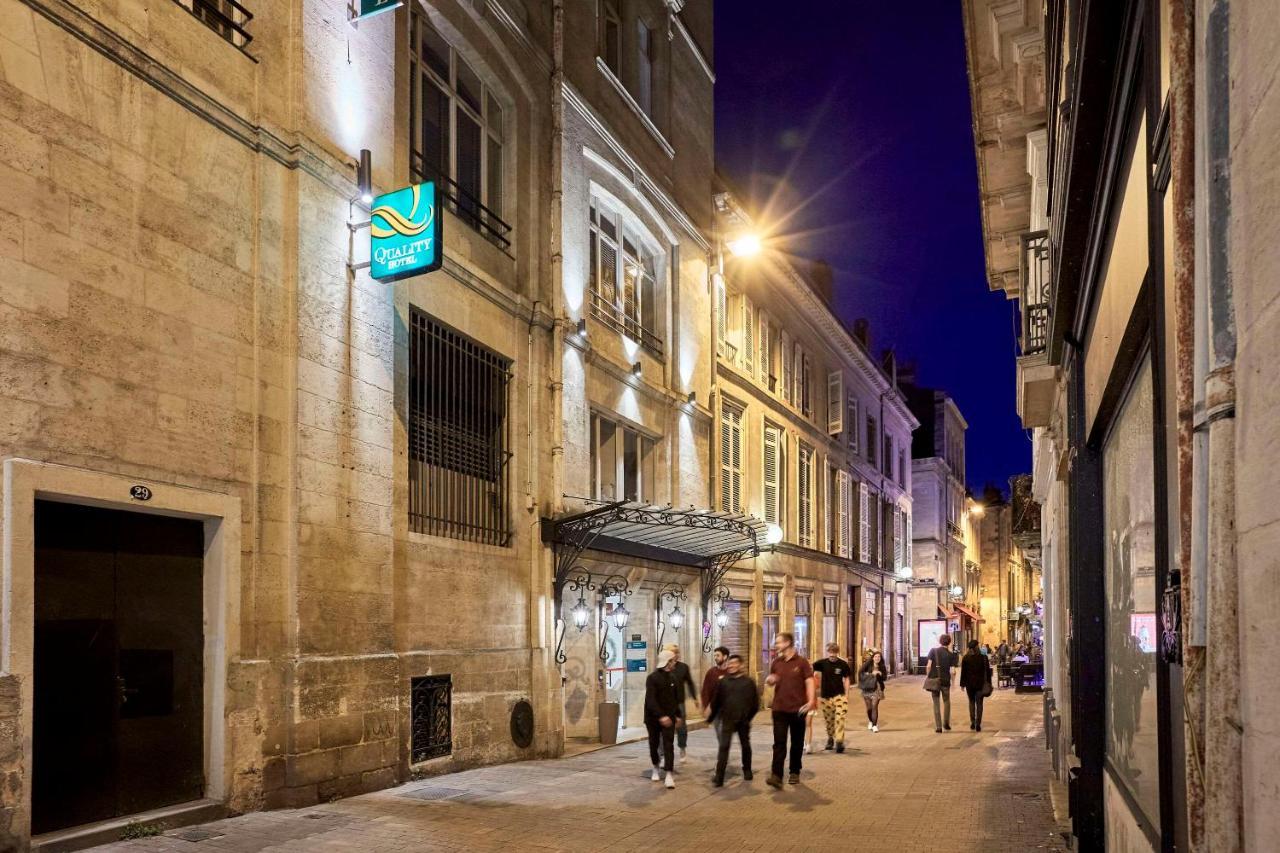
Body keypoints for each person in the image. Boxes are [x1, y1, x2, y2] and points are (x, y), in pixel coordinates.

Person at [764, 632, 815, 788]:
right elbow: (772, 680)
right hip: (779, 709)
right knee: (779, 743)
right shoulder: (776, 662)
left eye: (778, 642)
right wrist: (770, 680)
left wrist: (811, 700)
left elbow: (810, 682)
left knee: (797, 742)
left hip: (798, 709)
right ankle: (776, 775)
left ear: (787, 643)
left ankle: (794, 771)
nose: (776, 645)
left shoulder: (802, 662)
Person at [707, 654, 759, 787]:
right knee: (724, 747)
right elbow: (716, 702)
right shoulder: (723, 681)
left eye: (735, 663)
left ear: (741, 665)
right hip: (727, 720)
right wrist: (710, 718)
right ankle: (719, 777)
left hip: (743, 721)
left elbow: (755, 704)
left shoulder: (749, 682)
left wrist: (748, 717)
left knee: (745, 745)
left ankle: (747, 770)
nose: (731, 665)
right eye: (730, 663)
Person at [644, 649, 680, 789]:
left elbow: (675, 700)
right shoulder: (652, 678)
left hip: (669, 718)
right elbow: (651, 700)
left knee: (668, 745)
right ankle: (655, 767)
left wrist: (678, 715)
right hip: (652, 718)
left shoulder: (673, 678)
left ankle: (669, 774)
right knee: (653, 744)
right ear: (667, 662)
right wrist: (661, 716)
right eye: (673, 660)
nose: (675, 663)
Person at [662, 644, 699, 762]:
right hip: (665, 703)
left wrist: (695, 698)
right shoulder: (662, 667)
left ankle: (682, 748)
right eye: (673, 652)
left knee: (681, 727)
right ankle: (663, 754)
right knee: (664, 728)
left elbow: (690, 683)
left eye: (677, 652)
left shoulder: (683, 667)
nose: (675, 654)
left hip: (679, 702)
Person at [811, 643, 851, 752]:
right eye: (830, 652)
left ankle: (839, 741)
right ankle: (830, 738)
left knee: (840, 718)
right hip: (826, 697)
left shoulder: (843, 664)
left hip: (839, 696)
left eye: (834, 652)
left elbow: (847, 679)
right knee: (829, 720)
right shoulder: (822, 663)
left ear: (837, 652)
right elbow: (810, 668)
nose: (832, 655)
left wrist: (847, 694)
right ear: (827, 652)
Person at [925, 634, 958, 733]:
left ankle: (938, 727)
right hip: (945, 681)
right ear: (949, 642)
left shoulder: (933, 651)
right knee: (947, 701)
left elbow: (928, 666)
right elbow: (953, 671)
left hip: (935, 680)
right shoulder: (951, 655)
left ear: (940, 641)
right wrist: (953, 683)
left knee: (936, 703)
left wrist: (928, 677)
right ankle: (946, 723)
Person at [960, 639, 993, 731]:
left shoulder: (966, 658)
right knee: (979, 703)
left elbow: (963, 672)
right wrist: (989, 683)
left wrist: (962, 684)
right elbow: (988, 672)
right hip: (980, 684)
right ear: (977, 647)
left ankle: (972, 722)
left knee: (971, 702)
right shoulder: (983, 657)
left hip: (969, 685)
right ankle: (978, 724)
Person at [858, 650, 888, 732]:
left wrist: (881, 674)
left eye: (879, 657)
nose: (877, 658)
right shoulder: (868, 664)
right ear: (873, 658)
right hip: (867, 687)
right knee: (869, 708)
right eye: (876, 657)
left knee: (874, 706)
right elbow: (860, 673)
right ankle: (871, 721)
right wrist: (871, 674)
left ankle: (874, 725)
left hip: (877, 688)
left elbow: (885, 678)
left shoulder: (882, 666)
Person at [701, 646, 731, 718]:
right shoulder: (711, 672)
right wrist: (706, 706)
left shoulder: (731, 672)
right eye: (714, 655)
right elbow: (705, 691)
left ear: (725, 657)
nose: (715, 658)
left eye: (718, 655)